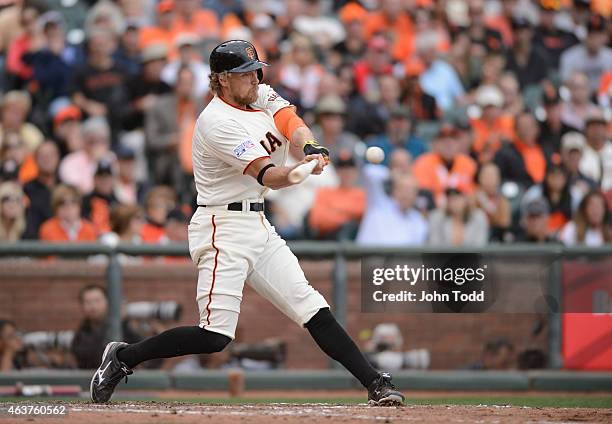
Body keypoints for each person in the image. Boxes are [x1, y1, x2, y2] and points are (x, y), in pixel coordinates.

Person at [89, 40, 404, 406]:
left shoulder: (258, 93)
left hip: (257, 222)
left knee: (311, 306)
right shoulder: (215, 122)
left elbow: (291, 122)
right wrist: (300, 172)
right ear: (222, 79)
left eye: (256, 71)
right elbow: (267, 174)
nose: (254, 79)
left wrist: (311, 147)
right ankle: (122, 358)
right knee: (215, 337)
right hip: (222, 226)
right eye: (243, 74)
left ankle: (373, 382)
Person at [71, 285, 141, 369]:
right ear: (82, 306)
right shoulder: (81, 334)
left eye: (97, 301)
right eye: (88, 302)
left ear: (108, 302)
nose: (93, 306)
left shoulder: (125, 328)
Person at [308, 152, 365, 240]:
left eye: (350, 168)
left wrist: (335, 210)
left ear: (356, 172)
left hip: (356, 244)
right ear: (337, 172)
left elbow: (363, 212)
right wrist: (350, 216)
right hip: (328, 242)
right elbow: (317, 220)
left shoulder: (363, 194)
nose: (346, 172)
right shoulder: (325, 192)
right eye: (342, 168)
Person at [23, 141, 60, 239]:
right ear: (35, 159)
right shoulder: (26, 189)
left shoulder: (65, 188)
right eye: (43, 156)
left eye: (50, 155)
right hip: (33, 243)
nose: (47, 159)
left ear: (58, 157)